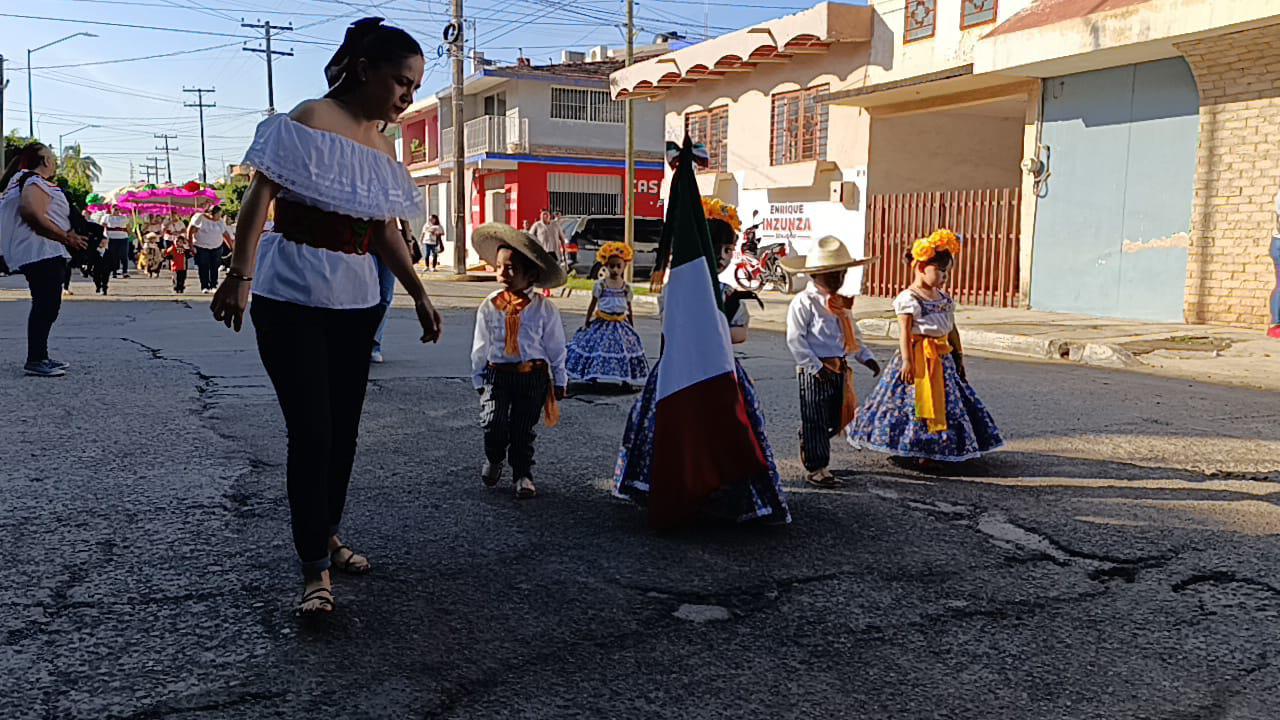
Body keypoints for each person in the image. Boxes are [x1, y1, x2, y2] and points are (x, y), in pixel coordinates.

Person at [209, 17, 443, 616]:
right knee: (312, 432)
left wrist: (417, 292)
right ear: (364, 70)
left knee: (341, 434)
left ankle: (326, 533)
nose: (406, 97)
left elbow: (384, 230)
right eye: (400, 82)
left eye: (414, 87)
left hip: (356, 303)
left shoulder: (383, 146)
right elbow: (259, 199)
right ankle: (314, 566)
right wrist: (239, 275)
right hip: (289, 298)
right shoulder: (310, 117)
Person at [614, 197, 790, 525]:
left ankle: (725, 492)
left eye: (728, 249)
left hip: (720, 371)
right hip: (678, 367)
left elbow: (741, 334)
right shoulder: (676, 289)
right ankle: (673, 488)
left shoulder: (728, 294)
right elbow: (671, 329)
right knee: (673, 428)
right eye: (718, 248)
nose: (723, 257)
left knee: (727, 430)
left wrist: (716, 328)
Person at [847, 229, 1003, 464]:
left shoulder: (943, 299)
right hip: (918, 359)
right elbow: (904, 333)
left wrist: (958, 356)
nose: (944, 277)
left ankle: (939, 448)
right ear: (921, 268)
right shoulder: (909, 299)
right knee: (913, 406)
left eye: (946, 272)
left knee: (947, 403)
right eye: (940, 271)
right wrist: (908, 362)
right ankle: (914, 448)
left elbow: (951, 329)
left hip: (942, 360)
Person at [470, 223, 568, 500]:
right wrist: (478, 376)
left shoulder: (544, 309)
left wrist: (560, 379)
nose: (502, 273)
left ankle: (523, 474)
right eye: (499, 267)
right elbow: (481, 343)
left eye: (511, 268)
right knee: (493, 421)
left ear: (531, 275)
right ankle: (494, 456)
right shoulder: (490, 305)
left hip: (532, 377)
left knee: (523, 429)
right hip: (497, 374)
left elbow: (555, 346)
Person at [782, 236, 880, 488]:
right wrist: (814, 367)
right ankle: (817, 467)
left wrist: (866, 357)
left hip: (839, 366)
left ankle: (813, 439)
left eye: (842, 274)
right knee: (815, 415)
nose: (838, 280)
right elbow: (796, 339)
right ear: (815, 275)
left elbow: (852, 336)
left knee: (839, 415)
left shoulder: (842, 305)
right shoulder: (804, 302)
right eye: (832, 275)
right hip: (814, 368)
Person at [0, 142, 88, 377]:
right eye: (52, 157)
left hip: (39, 250)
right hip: (40, 250)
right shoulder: (34, 181)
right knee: (46, 304)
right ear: (46, 161)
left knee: (47, 304)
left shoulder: (22, 180)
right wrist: (66, 237)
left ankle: (41, 356)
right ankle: (36, 359)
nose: (55, 161)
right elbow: (31, 213)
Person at [566, 241, 648, 389]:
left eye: (618, 266)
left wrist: (631, 324)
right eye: (612, 266)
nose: (615, 269)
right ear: (606, 265)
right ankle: (593, 375)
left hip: (620, 323)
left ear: (624, 266)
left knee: (623, 350)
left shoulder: (626, 287)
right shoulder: (601, 285)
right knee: (597, 348)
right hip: (602, 321)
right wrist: (587, 321)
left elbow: (629, 307)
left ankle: (625, 378)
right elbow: (592, 304)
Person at [188, 205, 234, 293]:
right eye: (218, 215)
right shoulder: (200, 218)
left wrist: (231, 247)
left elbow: (226, 235)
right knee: (204, 266)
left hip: (216, 247)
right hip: (202, 246)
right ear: (211, 213)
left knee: (214, 266)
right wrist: (191, 246)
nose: (220, 217)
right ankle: (205, 286)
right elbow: (190, 230)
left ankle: (214, 285)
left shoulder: (220, 222)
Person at [103, 206, 131, 279]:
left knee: (123, 255)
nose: (117, 211)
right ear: (111, 209)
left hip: (123, 238)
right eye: (115, 209)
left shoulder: (124, 218)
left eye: (118, 209)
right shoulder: (107, 217)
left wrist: (128, 234)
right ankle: (114, 271)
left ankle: (125, 271)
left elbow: (128, 227)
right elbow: (103, 226)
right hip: (112, 238)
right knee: (113, 255)